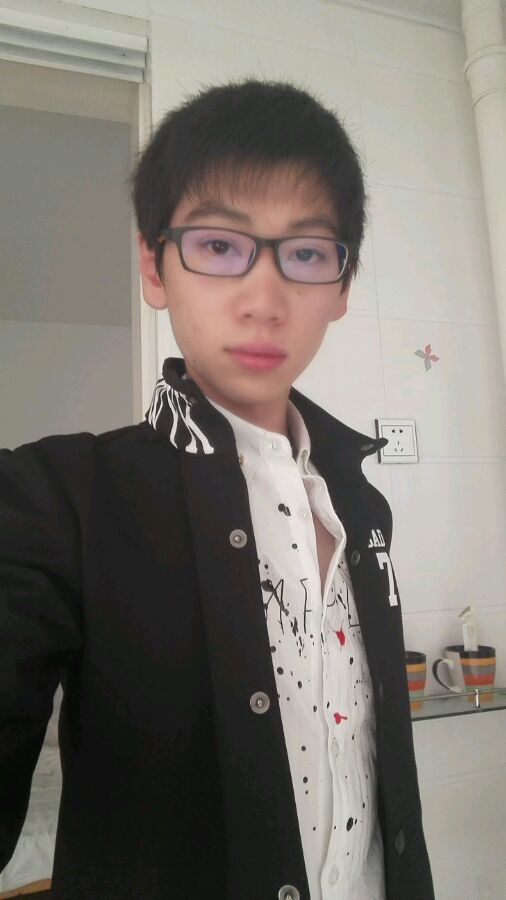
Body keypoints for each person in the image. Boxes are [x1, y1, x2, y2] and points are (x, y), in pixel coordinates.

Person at [0, 79, 434, 900]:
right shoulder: (56, 500)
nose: (264, 301)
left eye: (306, 254)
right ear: (153, 264)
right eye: (218, 245)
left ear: (342, 287)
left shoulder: (360, 502)